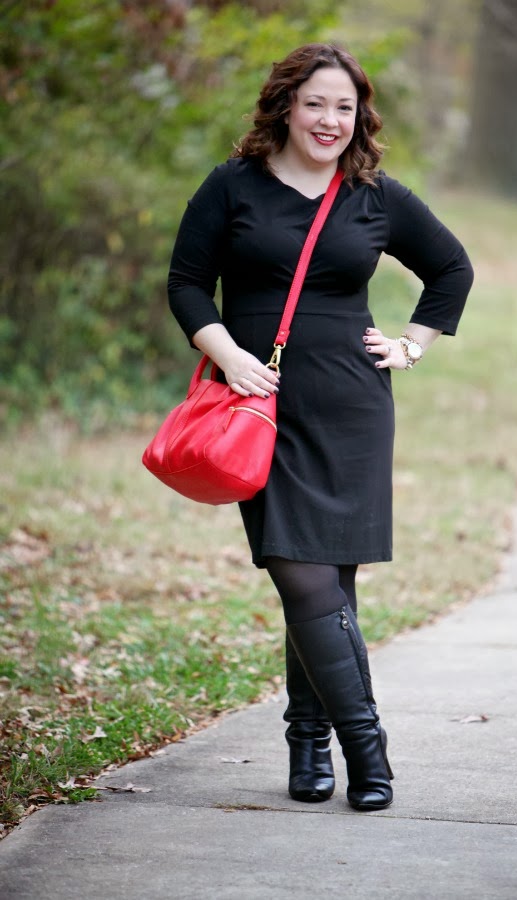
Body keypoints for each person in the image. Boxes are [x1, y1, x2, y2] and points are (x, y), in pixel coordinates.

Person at [167, 43, 474, 812]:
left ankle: (309, 748)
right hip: (259, 406)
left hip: (351, 406)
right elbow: (186, 284)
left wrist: (410, 346)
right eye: (315, 104)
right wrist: (228, 356)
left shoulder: (372, 195)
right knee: (300, 573)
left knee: (330, 586)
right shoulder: (232, 186)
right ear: (285, 106)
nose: (329, 120)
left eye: (344, 107)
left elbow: (451, 269)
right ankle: (370, 756)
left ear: (358, 117)